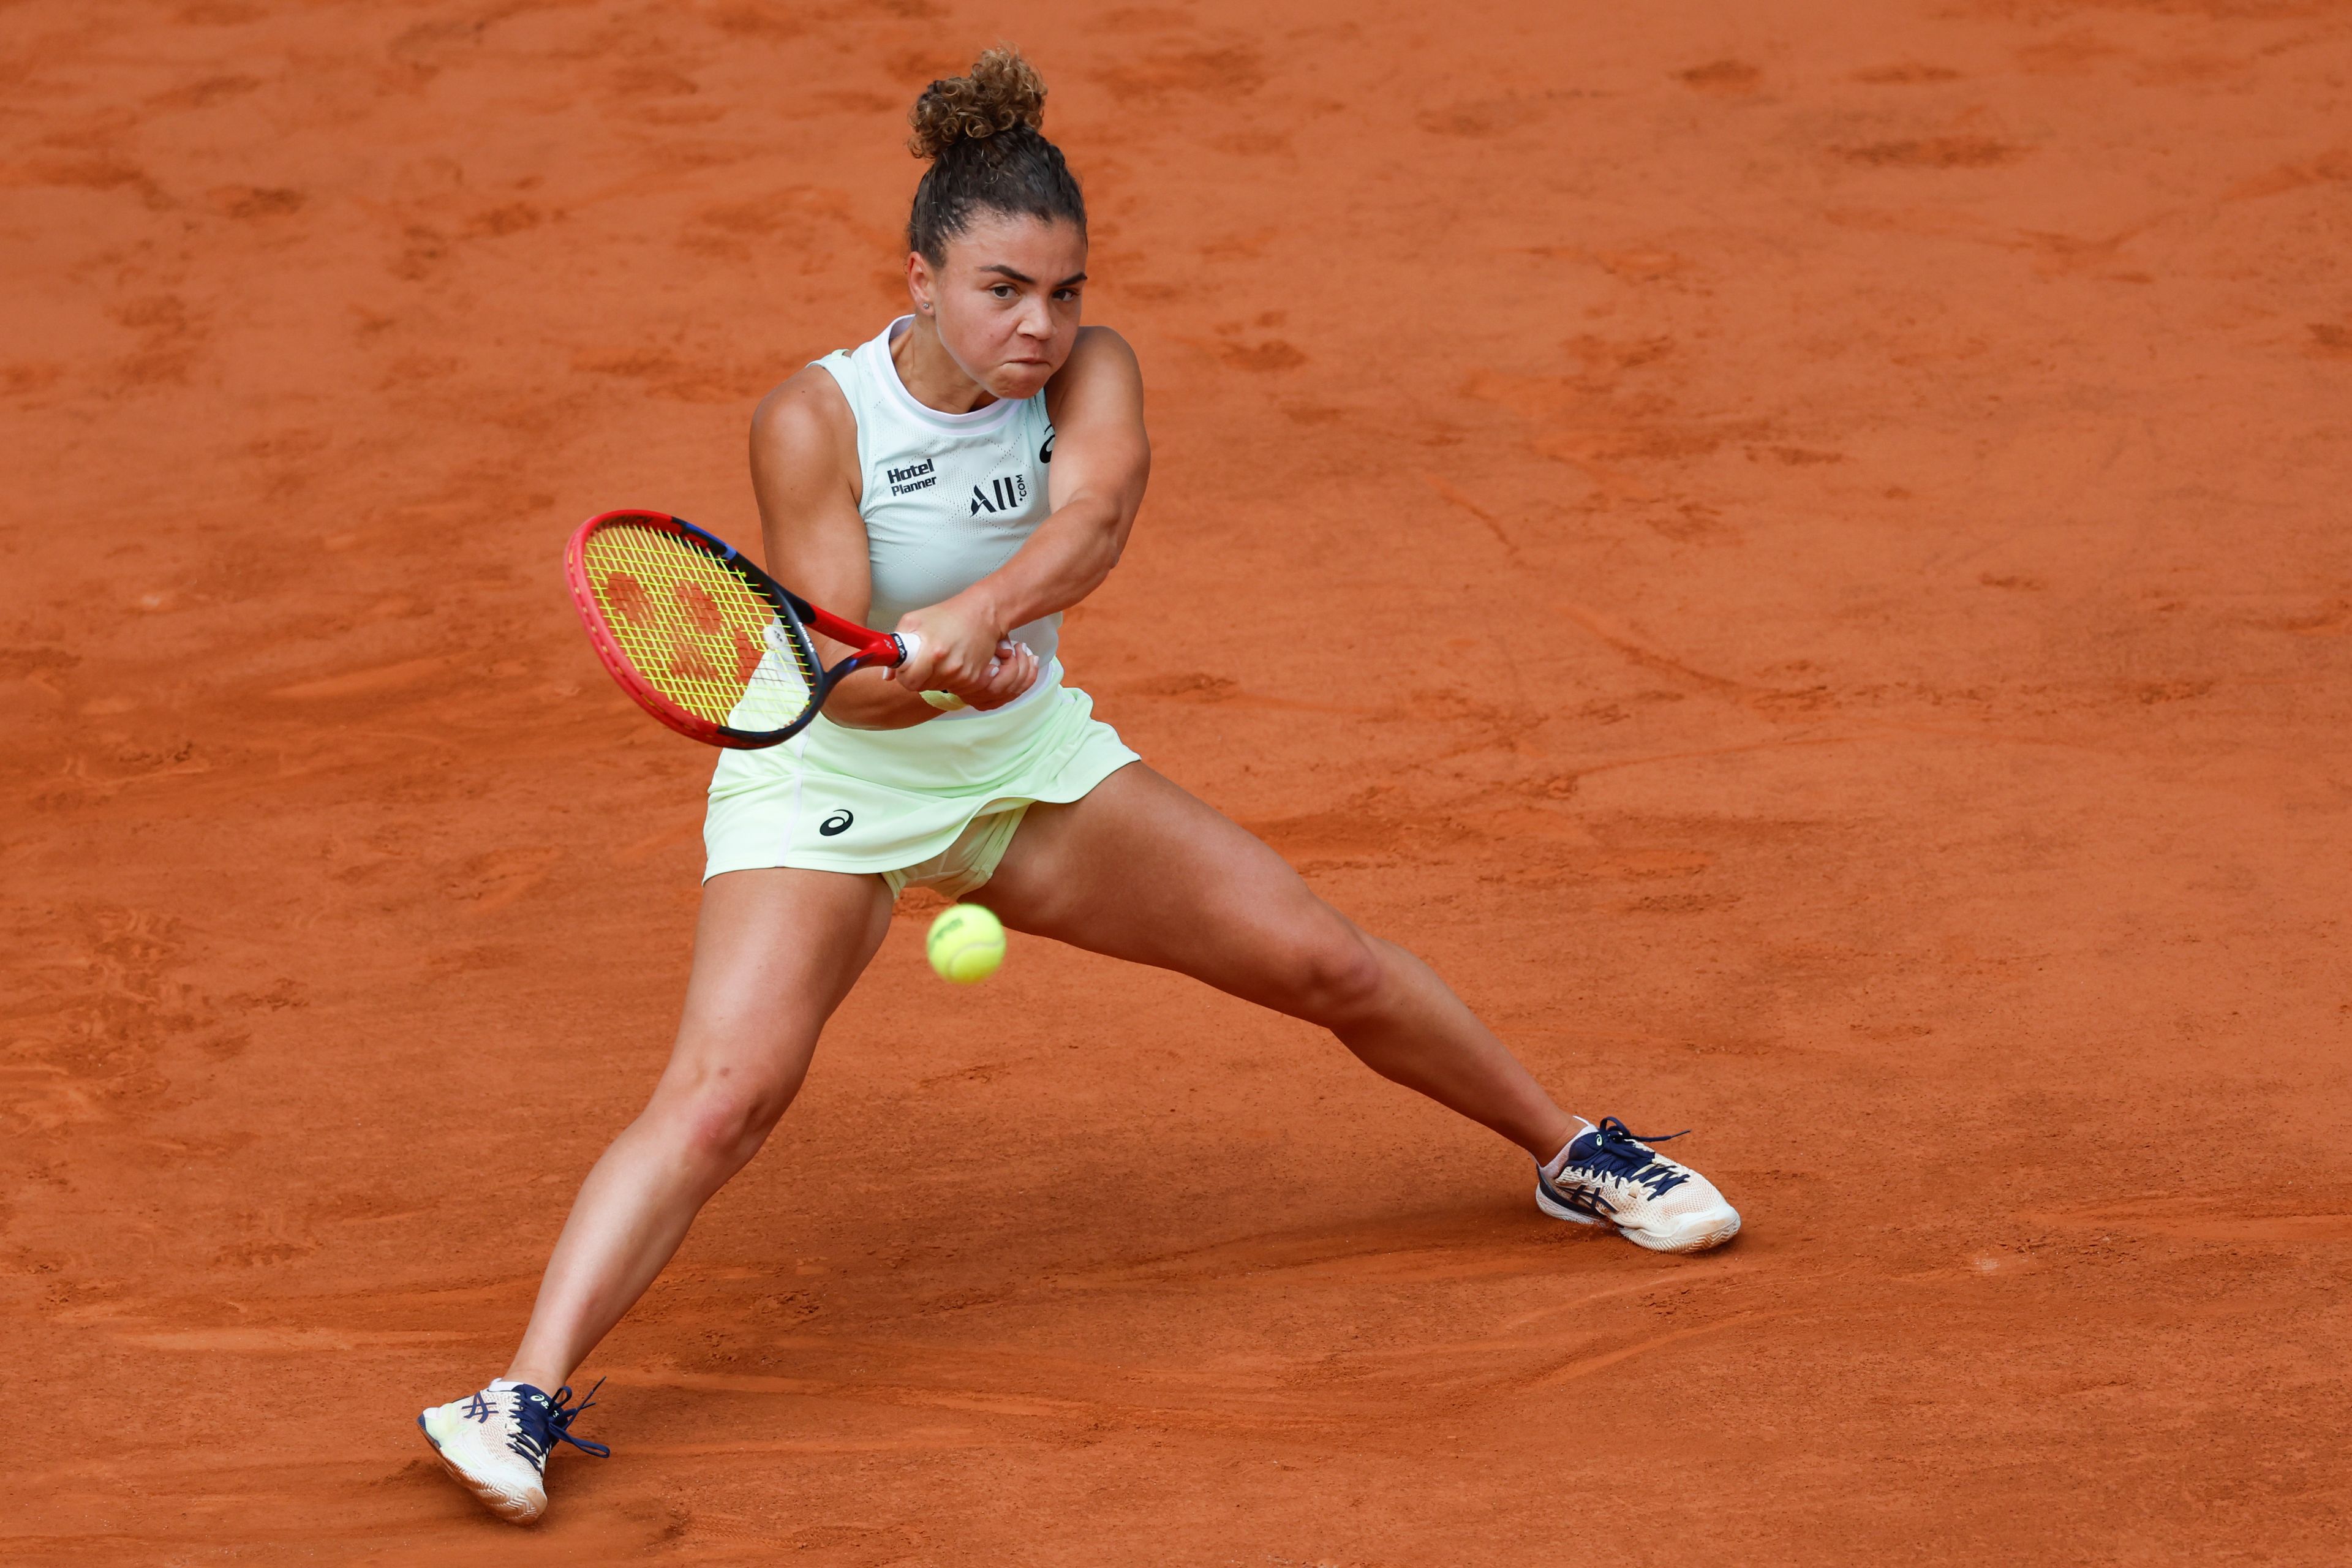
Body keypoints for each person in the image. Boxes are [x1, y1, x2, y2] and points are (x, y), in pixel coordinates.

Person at [417, 47, 1740, 1526]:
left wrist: (978, 625)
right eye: (1000, 290)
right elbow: (836, 673)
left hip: (1026, 766)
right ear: (917, 276)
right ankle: (517, 1390)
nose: (1039, 326)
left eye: (1061, 290)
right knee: (727, 1097)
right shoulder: (818, 419)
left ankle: (1573, 1151)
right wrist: (915, 666)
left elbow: (1095, 519)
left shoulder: (1092, 370)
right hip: (831, 781)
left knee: (1323, 955)